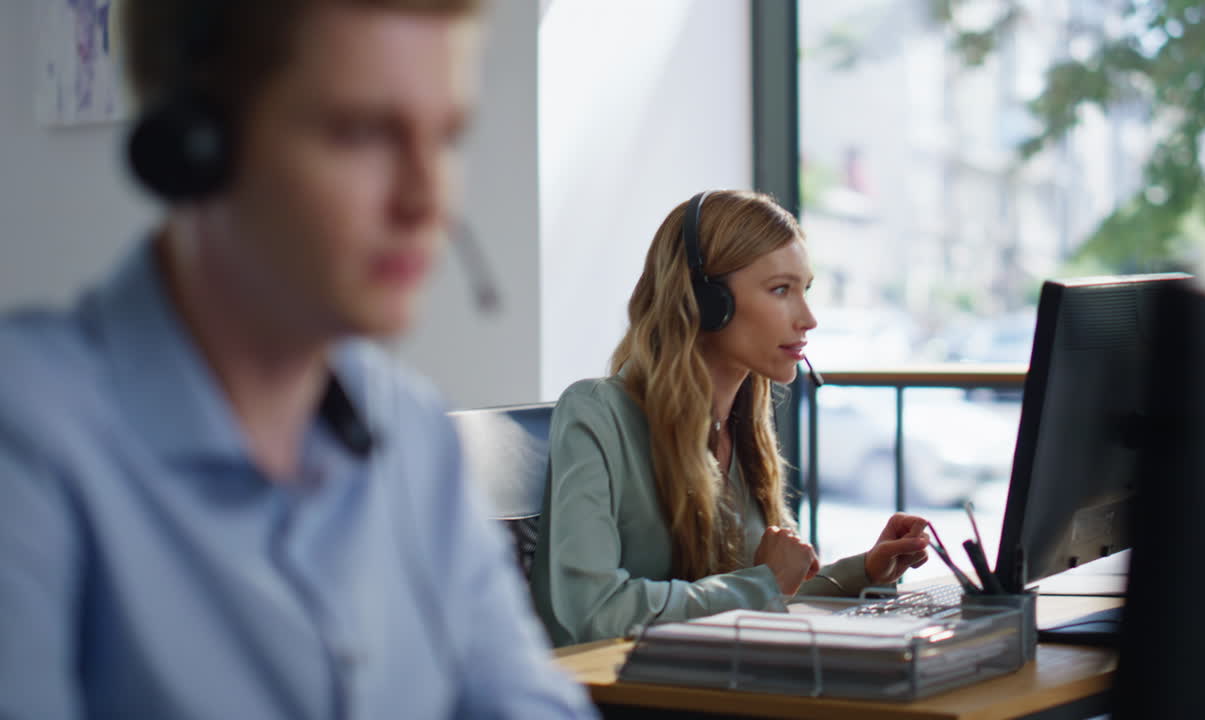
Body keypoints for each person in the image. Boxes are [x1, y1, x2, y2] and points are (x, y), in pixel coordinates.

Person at [0, 1, 595, 717]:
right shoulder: (28, 440)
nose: (426, 199)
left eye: (447, 138)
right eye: (363, 134)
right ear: (198, 143)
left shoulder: (409, 431)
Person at [531, 190, 932, 647]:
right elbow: (594, 612)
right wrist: (764, 583)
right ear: (706, 300)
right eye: (781, 290)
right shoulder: (597, 414)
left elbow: (762, 596)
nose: (808, 318)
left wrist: (867, 570)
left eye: (805, 290)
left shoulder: (746, 431)